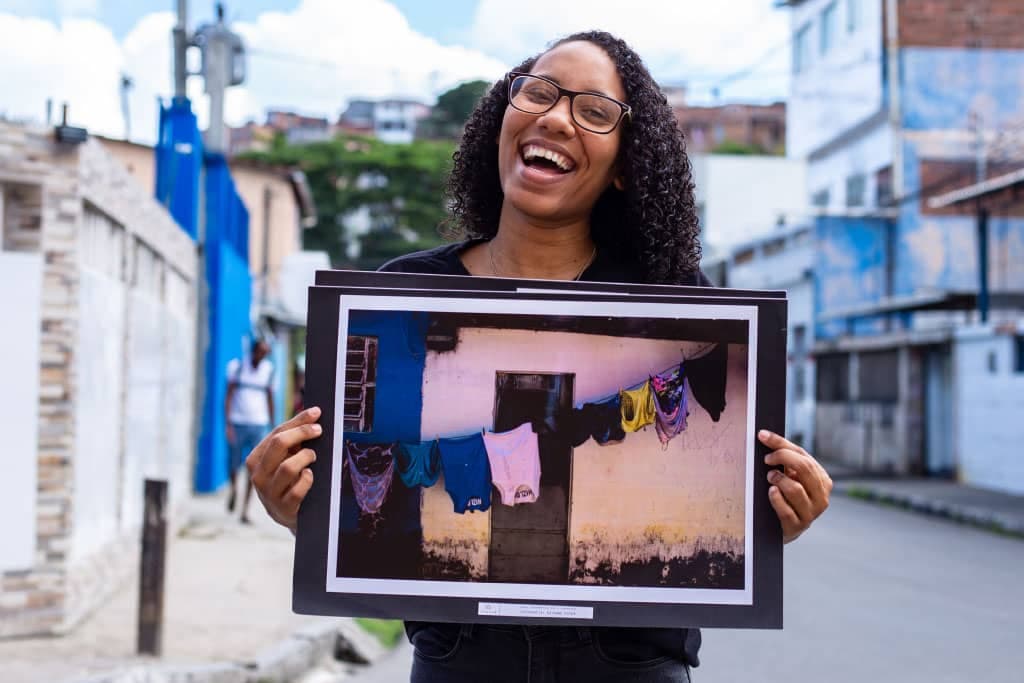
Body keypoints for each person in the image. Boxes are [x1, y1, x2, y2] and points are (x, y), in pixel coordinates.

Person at [247, 30, 833, 682]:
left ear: (624, 165)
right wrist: (304, 508)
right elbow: (361, 492)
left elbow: (728, 482)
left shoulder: (680, 308)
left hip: (629, 667)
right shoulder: (404, 295)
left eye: (594, 111)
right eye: (539, 92)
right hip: (458, 661)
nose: (556, 117)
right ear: (503, 116)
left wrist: (771, 515)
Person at [225, 337, 274, 524]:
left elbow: (270, 398)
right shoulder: (237, 367)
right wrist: (228, 424)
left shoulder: (268, 370)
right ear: (254, 351)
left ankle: (245, 510)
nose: (263, 356)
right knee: (234, 464)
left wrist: (271, 426)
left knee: (254, 468)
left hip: (258, 424)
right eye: (261, 352)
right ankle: (233, 489)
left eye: (265, 353)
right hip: (238, 422)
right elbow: (228, 396)